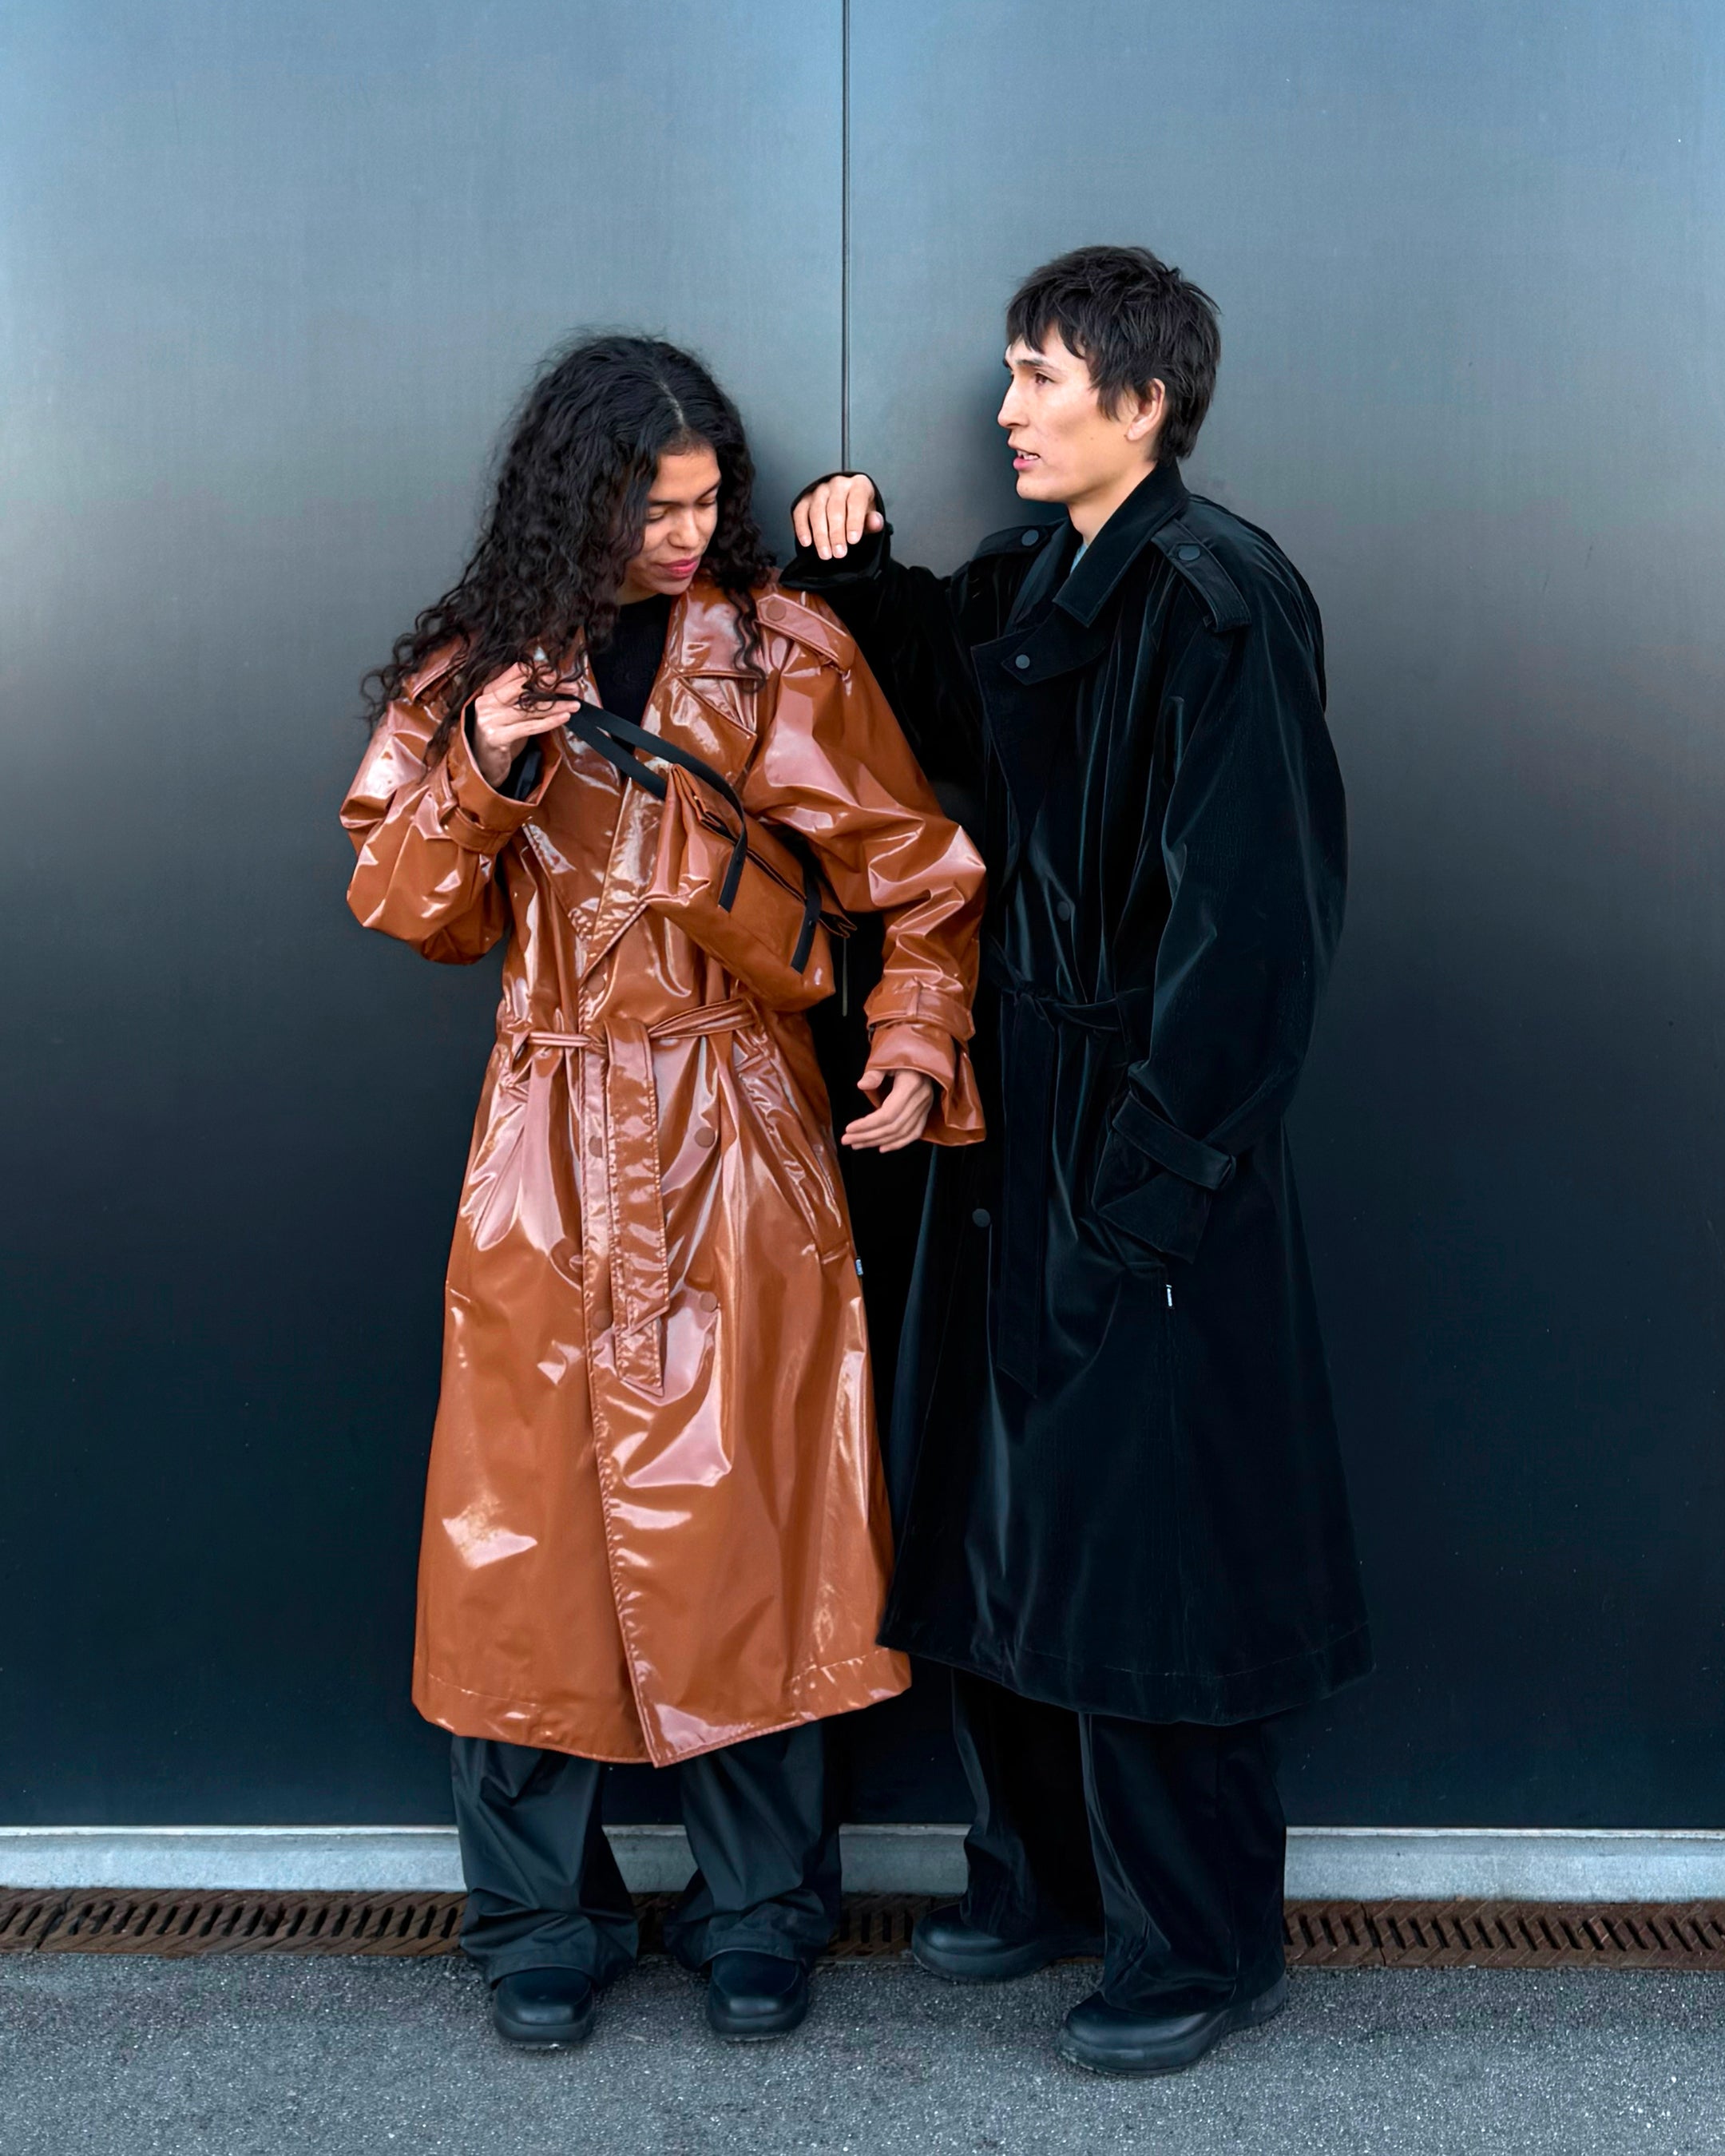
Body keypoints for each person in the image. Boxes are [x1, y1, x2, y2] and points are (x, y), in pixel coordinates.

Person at [342, 335, 984, 2048]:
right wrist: (485, 765)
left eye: (707, 502)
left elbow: (920, 875)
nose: (687, 535)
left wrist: (916, 1043)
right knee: (519, 1539)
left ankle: (762, 1907)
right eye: (653, 508)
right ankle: (533, 1914)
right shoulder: (481, 671)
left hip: (739, 1126)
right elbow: (406, 904)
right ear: (575, 503)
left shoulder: (781, 652)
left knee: (750, 1516)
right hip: (548, 1142)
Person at [783, 245, 1370, 2078]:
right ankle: (1036, 1875)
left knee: (1156, 1537)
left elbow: (1257, 919)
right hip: (1017, 1112)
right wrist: (855, 575)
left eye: (1041, 376)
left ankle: (1200, 1944)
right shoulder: (1043, 575)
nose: (1008, 409)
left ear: (1145, 397)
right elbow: (957, 714)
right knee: (1007, 1505)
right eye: (1014, 373)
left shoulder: (1215, 596)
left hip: (1139, 1128)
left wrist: (1162, 1169)